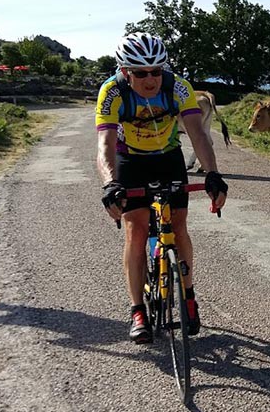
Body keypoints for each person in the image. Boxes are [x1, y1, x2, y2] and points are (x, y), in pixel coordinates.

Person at [95, 32, 227, 344]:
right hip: (130, 160)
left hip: (168, 157)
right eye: (140, 73)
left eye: (156, 71)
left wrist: (212, 174)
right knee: (136, 230)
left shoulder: (177, 87)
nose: (150, 80)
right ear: (125, 71)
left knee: (179, 227)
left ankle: (189, 297)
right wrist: (110, 184)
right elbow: (105, 144)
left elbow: (197, 134)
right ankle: (137, 310)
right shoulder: (112, 92)